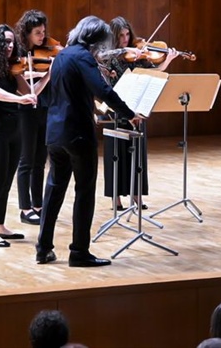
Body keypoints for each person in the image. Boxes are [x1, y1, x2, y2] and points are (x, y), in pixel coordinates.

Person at [36, 16, 142, 267]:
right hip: (77, 134)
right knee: (84, 191)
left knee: (54, 190)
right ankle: (79, 252)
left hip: (55, 133)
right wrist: (129, 114)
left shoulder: (63, 55)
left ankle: (43, 248)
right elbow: (103, 91)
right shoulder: (83, 57)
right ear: (95, 39)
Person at [0, 24, 50, 247]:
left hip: (13, 129)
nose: (9, 46)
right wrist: (19, 100)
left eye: (12, 42)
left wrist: (48, 76)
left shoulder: (12, 68)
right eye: (5, 42)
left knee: (6, 181)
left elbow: (30, 92)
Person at [98, 16, 178, 211]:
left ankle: (137, 196)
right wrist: (125, 51)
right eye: (121, 36)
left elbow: (155, 71)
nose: (125, 39)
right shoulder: (109, 55)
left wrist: (167, 59)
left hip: (136, 109)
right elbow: (101, 59)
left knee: (138, 153)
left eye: (127, 35)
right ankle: (116, 199)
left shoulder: (139, 56)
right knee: (115, 153)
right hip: (114, 109)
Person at [15, 9, 63, 226]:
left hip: (45, 105)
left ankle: (38, 204)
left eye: (43, 31)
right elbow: (16, 75)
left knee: (40, 159)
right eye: (37, 33)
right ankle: (25, 209)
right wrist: (38, 73)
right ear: (26, 33)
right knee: (26, 160)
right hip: (25, 108)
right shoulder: (17, 52)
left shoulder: (48, 49)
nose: (42, 37)